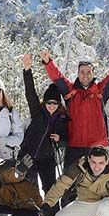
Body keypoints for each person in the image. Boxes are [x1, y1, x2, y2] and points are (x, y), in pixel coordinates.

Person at [40, 47, 109, 172]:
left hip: (97, 148)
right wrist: (48, 62)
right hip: (74, 147)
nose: (85, 75)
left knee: (99, 186)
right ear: (78, 74)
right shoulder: (70, 92)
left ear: (93, 74)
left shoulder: (100, 92)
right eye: (82, 72)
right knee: (71, 185)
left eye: (89, 72)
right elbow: (57, 78)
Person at [18, 53, 69, 196]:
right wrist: (27, 70)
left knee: (50, 190)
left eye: (55, 103)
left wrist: (60, 140)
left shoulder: (62, 119)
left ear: (58, 104)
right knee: (29, 189)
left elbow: (67, 140)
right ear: (44, 103)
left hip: (47, 159)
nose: (51, 106)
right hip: (29, 155)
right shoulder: (37, 112)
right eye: (49, 103)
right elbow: (30, 92)